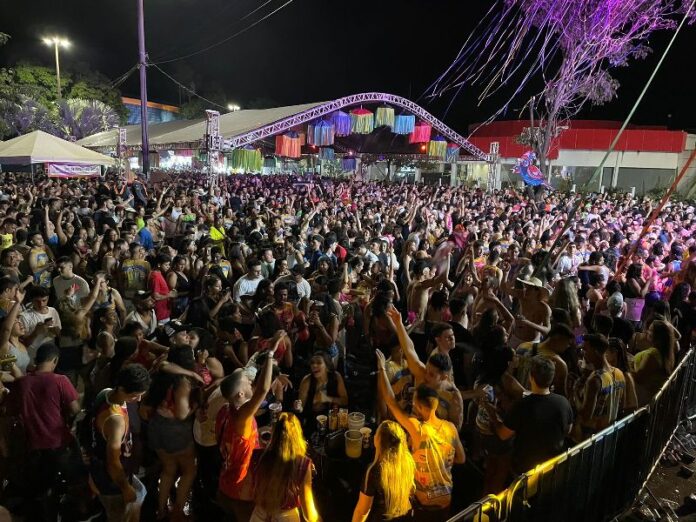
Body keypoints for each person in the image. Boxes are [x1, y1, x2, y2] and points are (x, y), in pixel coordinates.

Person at [376, 349, 465, 522]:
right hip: (446, 500)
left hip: (423, 503)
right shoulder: (451, 428)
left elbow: (390, 402)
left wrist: (382, 369)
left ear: (421, 407)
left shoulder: (418, 429)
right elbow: (461, 459)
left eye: (415, 404)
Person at [216, 334, 282, 521]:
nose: (251, 382)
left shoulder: (225, 409)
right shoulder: (242, 416)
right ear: (241, 394)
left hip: (227, 479)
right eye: (247, 382)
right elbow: (262, 390)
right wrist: (270, 353)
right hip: (242, 485)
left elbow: (235, 440)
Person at [14, 342, 82, 521]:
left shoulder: (22, 382)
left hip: (32, 445)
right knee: (60, 485)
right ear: (55, 360)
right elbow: (76, 409)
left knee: (37, 487)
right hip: (57, 443)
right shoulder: (60, 380)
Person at [484, 356, 573, 474]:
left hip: (526, 468)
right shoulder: (563, 403)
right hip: (553, 466)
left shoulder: (522, 406)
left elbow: (503, 434)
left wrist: (492, 414)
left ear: (531, 377)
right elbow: (568, 429)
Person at [88, 364, 151, 522]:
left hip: (100, 468)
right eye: (135, 395)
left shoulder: (106, 393)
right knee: (119, 516)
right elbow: (113, 463)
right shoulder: (115, 421)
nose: (139, 399)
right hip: (112, 482)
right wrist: (125, 488)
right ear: (122, 389)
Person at [251, 412, 321, 522]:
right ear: (298, 435)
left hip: (259, 514)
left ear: (273, 432)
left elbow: (248, 491)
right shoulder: (302, 464)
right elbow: (308, 510)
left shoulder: (256, 456)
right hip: (287, 517)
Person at [352, 420, 416, 522]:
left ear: (378, 441)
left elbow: (362, 511)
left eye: (377, 433)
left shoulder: (375, 470)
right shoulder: (408, 462)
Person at [573, 334, 625, 441]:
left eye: (586, 349)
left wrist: (574, 392)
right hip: (609, 434)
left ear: (596, 351)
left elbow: (585, 415)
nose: (583, 353)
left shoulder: (595, 380)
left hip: (591, 438)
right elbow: (621, 406)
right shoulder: (619, 373)